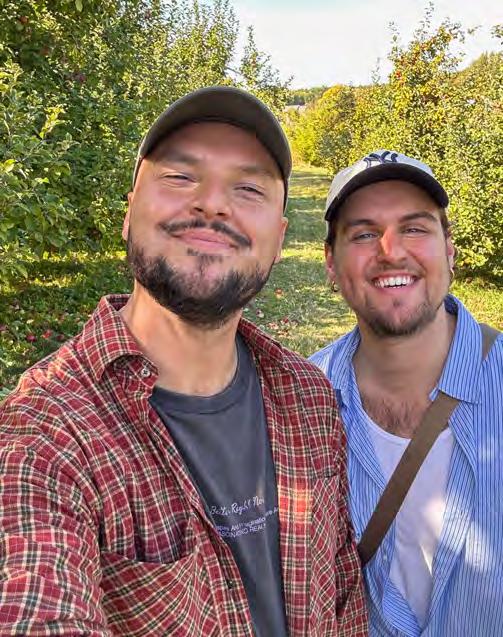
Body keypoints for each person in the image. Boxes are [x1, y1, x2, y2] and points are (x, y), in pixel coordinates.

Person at [0, 86, 367, 636]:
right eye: (179, 176)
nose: (213, 203)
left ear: (278, 238)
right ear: (129, 213)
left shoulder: (308, 396)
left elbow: (339, 589)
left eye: (248, 188)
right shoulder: (46, 434)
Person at [310, 149, 502, 636]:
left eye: (415, 228)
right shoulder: (302, 400)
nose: (391, 251)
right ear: (331, 262)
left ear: (449, 250)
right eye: (364, 234)